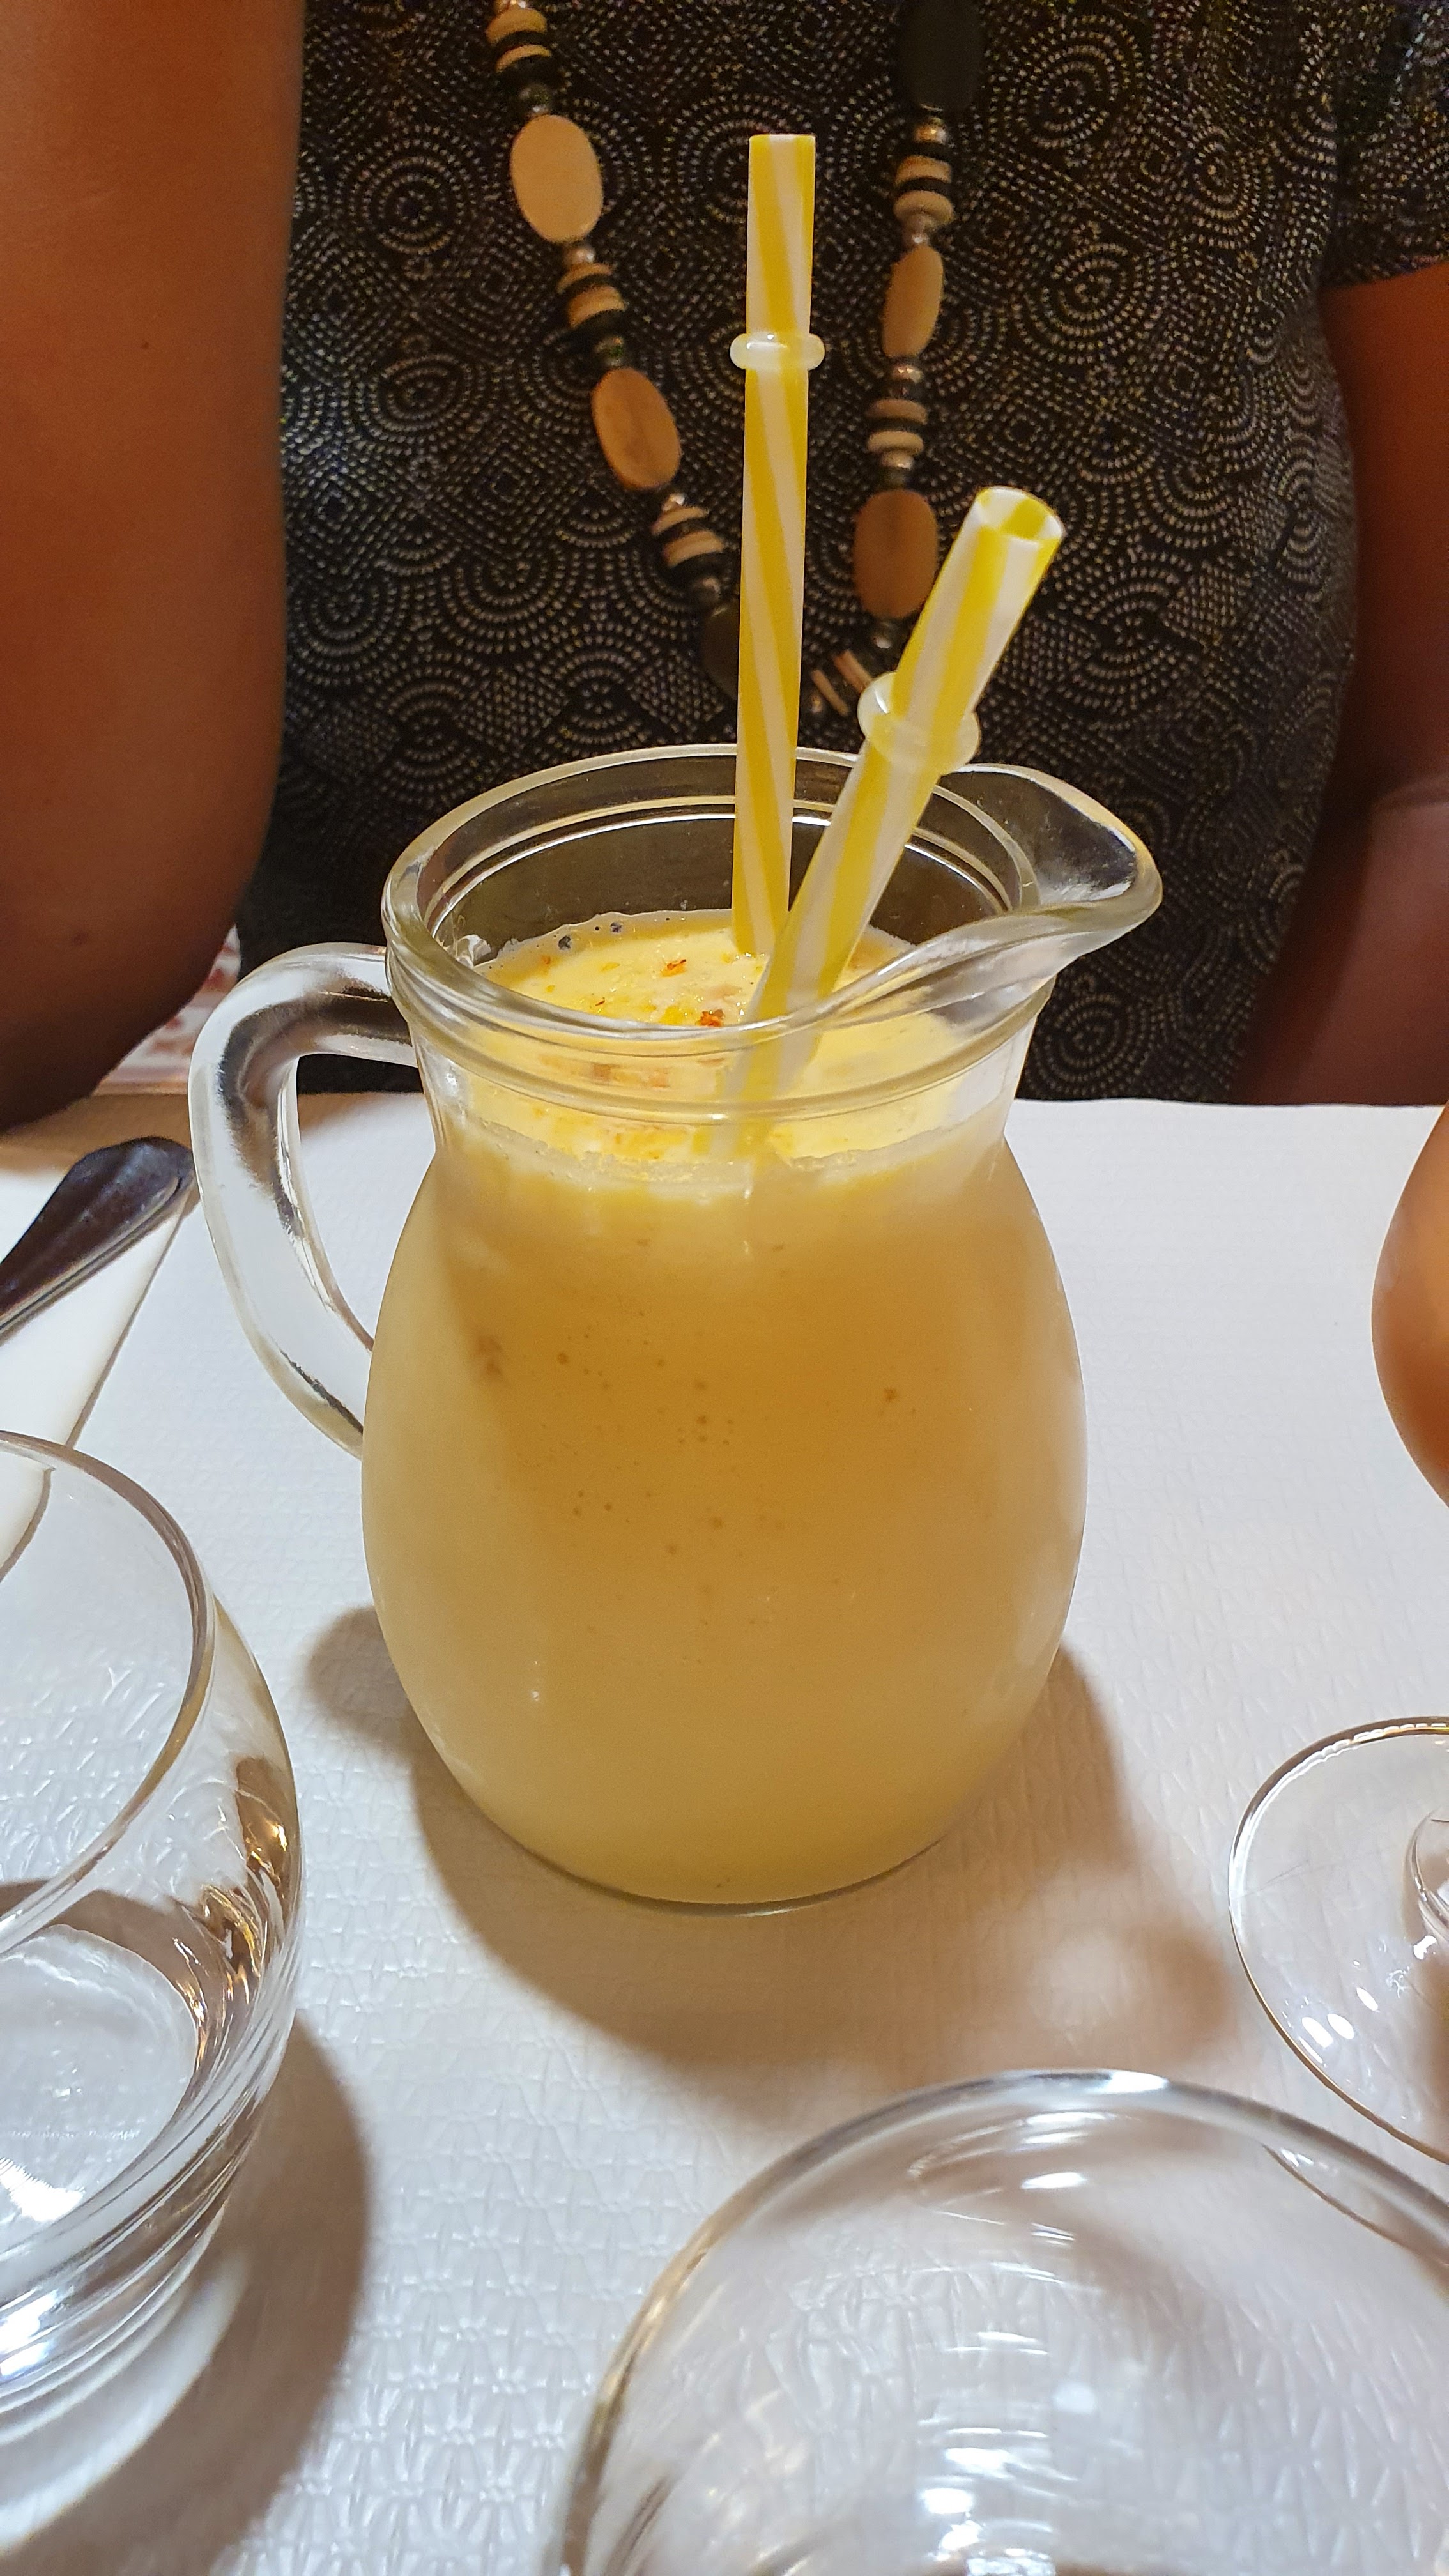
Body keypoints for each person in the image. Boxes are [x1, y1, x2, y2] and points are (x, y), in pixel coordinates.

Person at [2, 0, 1446, 1126]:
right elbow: (35, 981)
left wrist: (1224, 1284)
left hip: (1153, 1255)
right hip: (458, 1232)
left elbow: (1429, 788)